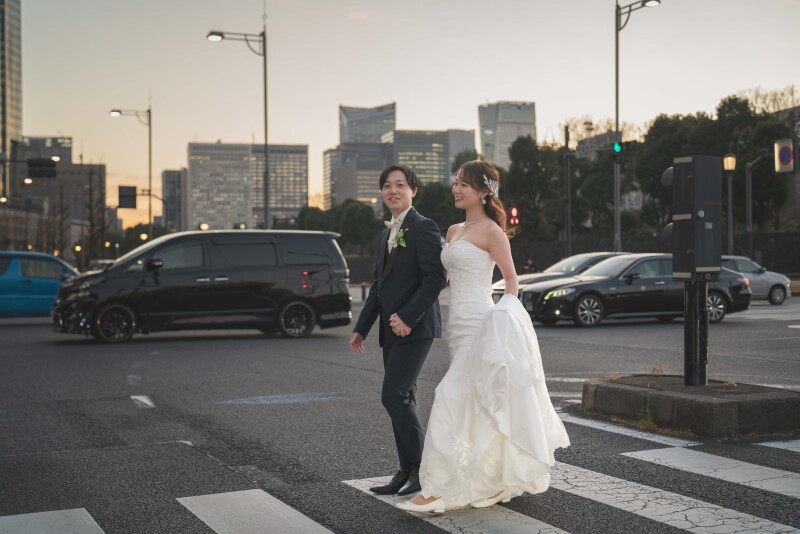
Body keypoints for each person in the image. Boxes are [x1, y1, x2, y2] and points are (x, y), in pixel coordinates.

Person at [397, 160, 570, 513]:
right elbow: (442, 277)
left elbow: (511, 281)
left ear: (483, 191)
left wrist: (503, 320)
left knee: (450, 395)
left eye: (463, 184)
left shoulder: (491, 231)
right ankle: (491, 478)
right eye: (456, 183)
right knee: (475, 405)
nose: (456, 189)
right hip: (456, 328)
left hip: (481, 324)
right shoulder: (453, 230)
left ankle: (436, 488)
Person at [349, 164, 447, 497]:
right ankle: (406, 470)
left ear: (413, 190)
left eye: (400, 185)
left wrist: (407, 316)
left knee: (393, 395)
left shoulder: (424, 227)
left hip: (416, 327)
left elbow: (436, 278)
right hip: (391, 331)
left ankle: (421, 469)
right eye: (387, 185)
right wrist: (361, 328)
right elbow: (378, 286)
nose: (393, 190)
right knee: (403, 398)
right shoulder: (385, 234)